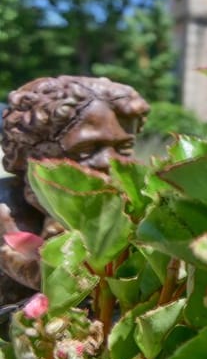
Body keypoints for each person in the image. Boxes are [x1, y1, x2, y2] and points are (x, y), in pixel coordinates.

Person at [0, 76, 149, 296]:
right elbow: (56, 282)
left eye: (123, 148)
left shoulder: (136, 206)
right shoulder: (7, 207)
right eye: (87, 149)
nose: (109, 162)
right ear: (28, 151)